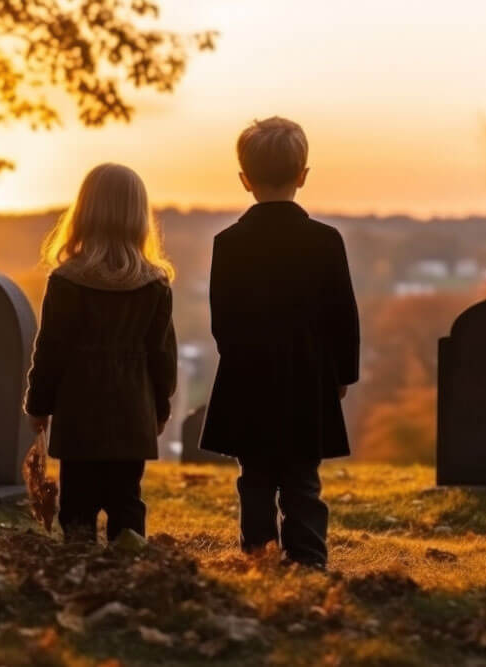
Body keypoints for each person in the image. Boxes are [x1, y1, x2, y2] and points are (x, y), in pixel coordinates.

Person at [199, 117, 360, 569]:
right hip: (309, 377)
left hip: (248, 377)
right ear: (302, 175)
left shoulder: (228, 244)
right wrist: (343, 374)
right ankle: (308, 557)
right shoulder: (326, 242)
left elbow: (222, 322)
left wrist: (237, 360)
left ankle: (258, 556)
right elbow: (343, 317)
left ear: (245, 180)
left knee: (255, 478)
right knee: (302, 479)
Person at [25, 163, 177, 542]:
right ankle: (128, 572)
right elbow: (162, 358)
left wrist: (38, 405)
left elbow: (51, 351)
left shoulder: (66, 281)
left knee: (77, 504)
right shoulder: (154, 285)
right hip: (132, 417)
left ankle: (78, 567)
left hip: (80, 419)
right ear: (139, 217)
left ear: (84, 212)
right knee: (127, 501)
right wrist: (160, 409)